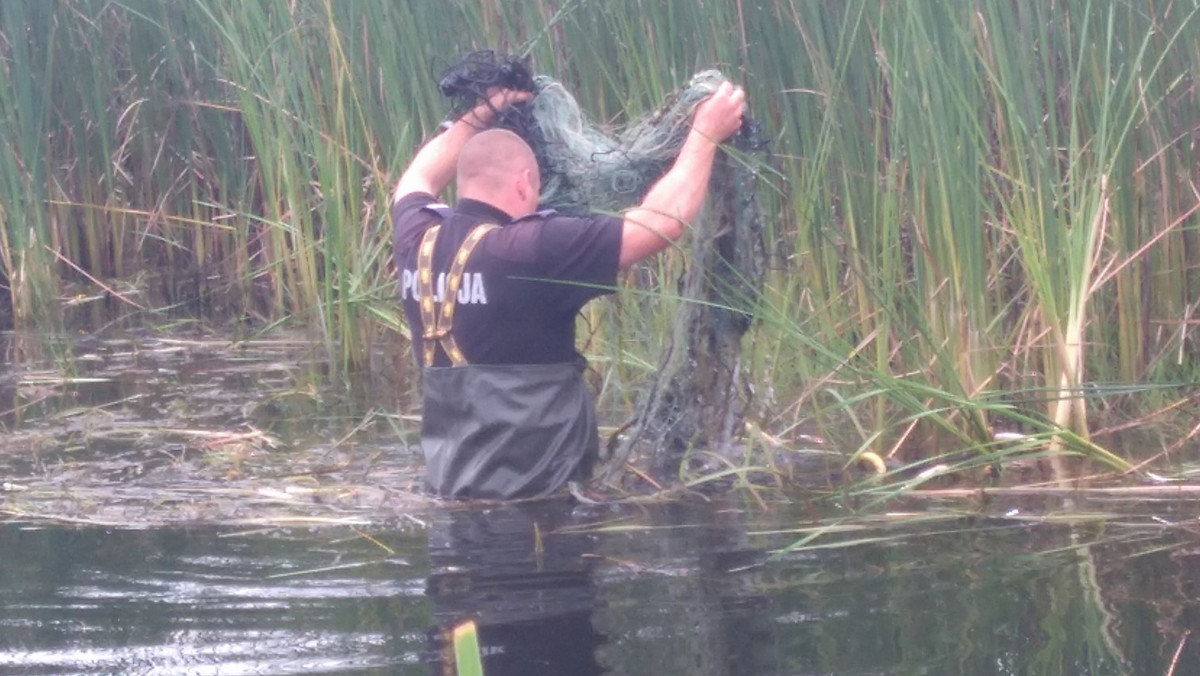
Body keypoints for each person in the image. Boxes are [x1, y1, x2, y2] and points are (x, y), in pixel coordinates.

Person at [391, 80, 746, 500]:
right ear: (525, 183)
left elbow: (417, 175)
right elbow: (661, 223)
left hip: (452, 502)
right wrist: (705, 134)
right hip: (541, 508)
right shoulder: (530, 250)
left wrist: (473, 118)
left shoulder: (417, 239)